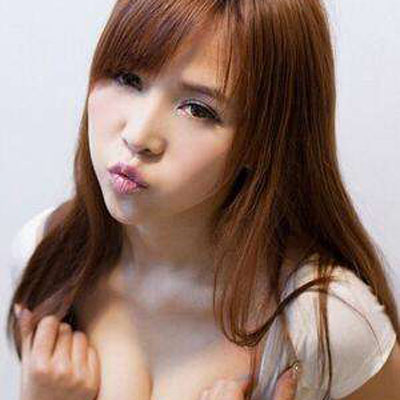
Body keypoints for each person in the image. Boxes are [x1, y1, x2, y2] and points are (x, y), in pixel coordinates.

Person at [6, 0, 399, 399]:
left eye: (197, 109)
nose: (138, 136)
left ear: (262, 141)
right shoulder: (47, 255)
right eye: (128, 78)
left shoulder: (326, 325)